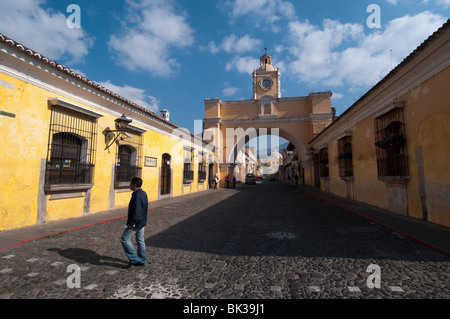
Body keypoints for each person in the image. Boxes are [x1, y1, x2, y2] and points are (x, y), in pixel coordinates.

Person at [121, 177, 149, 269]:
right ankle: (143, 260)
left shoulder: (137, 195)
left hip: (136, 222)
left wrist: (132, 223)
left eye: (131, 183)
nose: (130, 185)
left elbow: (137, 211)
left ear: (134, 185)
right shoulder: (142, 193)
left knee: (124, 239)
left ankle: (134, 259)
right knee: (140, 240)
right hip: (142, 222)